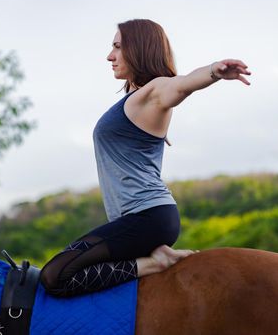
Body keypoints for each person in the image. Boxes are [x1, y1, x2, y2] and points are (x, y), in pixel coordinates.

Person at [39, 18, 251, 297]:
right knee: (58, 272)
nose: (109, 56)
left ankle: (155, 263)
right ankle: (153, 257)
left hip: (148, 217)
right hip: (139, 221)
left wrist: (214, 71)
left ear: (138, 49)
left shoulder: (155, 92)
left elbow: (181, 85)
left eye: (117, 47)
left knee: (55, 276)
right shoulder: (134, 98)